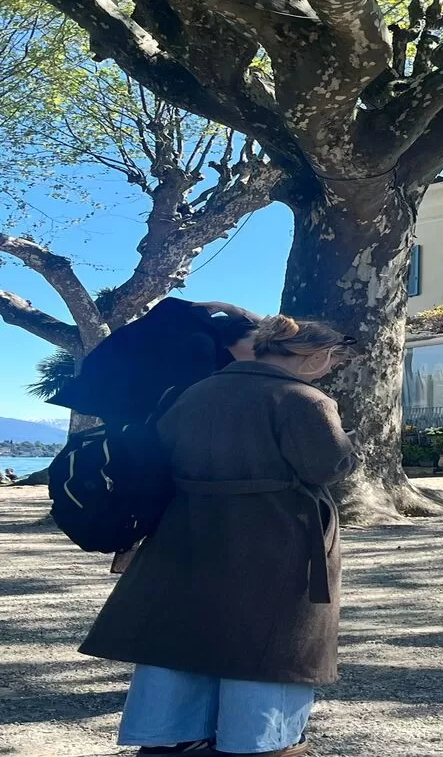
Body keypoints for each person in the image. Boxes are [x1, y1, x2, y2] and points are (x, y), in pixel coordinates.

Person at [79, 315, 358, 757]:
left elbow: (165, 453)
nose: (329, 368)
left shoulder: (198, 391)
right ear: (315, 356)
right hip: (276, 531)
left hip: (188, 526)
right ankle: (261, 741)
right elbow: (326, 467)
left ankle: (168, 733)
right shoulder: (303, 399)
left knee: (183, 632)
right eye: (329, 359)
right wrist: (346, 442)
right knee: (269, 640)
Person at [49, 299, 261, 427]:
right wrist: (235, 311)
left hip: (131, 422)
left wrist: (234, 309)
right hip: (155, 434)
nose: (264, 354)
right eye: (260, 345)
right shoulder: (198, 345)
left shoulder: (190, 338)